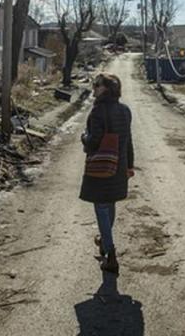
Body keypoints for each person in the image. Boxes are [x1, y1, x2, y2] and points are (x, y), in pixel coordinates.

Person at [80, 72, 134, 276]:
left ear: (106, 89)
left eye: (96, 85)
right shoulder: (125, 110)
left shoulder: (97, 112)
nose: (93, 88)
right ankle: (104, 240)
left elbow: (94, 142)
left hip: (101, 167)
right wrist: (130, 165)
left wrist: (84, 137)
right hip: (118, 166)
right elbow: (128, 140)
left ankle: (111, 254)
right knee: (109, 205)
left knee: (101, 207)